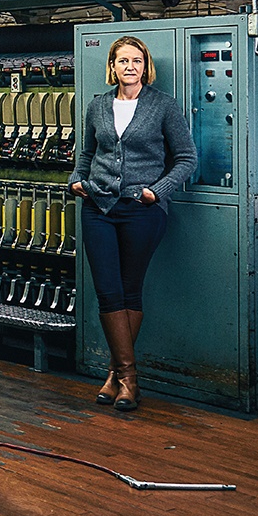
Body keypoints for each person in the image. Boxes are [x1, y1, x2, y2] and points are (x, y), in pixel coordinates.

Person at [69, 36, 196, 412]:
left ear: (145, 67)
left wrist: (157, 192)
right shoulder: (97, 106)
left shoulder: (163, 107)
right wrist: (77, 180)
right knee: (108, 292)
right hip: (98, 207)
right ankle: (127, 377)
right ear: (112, 66)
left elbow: (187, 159)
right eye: (123, 61)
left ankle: (120, 377)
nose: (130, 67)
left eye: (137, 61)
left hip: (142, 209)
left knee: (129, 289)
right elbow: (87, 152)